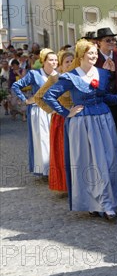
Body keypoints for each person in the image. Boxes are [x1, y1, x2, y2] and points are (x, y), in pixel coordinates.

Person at [43, 39, 117, 221]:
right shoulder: (71, 76)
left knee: (109, 161)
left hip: (104, 120)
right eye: (90, 53)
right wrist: (66, 112)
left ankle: (105, 202)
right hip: (82, 124)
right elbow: (49, 96)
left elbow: (107, 97)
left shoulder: (102, 74)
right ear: (81, 55)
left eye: (95, 53)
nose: (94, 56)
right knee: (90, 163)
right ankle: (100, 204)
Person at [32, 50, 74, 193]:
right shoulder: (55, 78)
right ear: (61, 65)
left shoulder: (78, 76)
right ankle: (66, 184)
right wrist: (54, 110)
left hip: (78, 117)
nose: (69, 64)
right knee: (64, 151)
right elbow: (38, 98)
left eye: (71, 61)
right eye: (66, 62)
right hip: (62, 120)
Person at [11, 48, 57, 177]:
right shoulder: (35, 74)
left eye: (55, 60)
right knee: (42, 140)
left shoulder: (58, 74)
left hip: (55, 110)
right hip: (40, 111)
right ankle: (45, 170)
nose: (54, 63)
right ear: (43, 61)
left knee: (55, 139)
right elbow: (16, 86)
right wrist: (25, 100)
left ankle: (56, 168)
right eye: (51, 60)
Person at [94, 27, 117, 146]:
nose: (112, 43)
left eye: (113, 40)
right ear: (99, 42)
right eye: (108, 40)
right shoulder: (94, 58)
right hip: (102, 100)